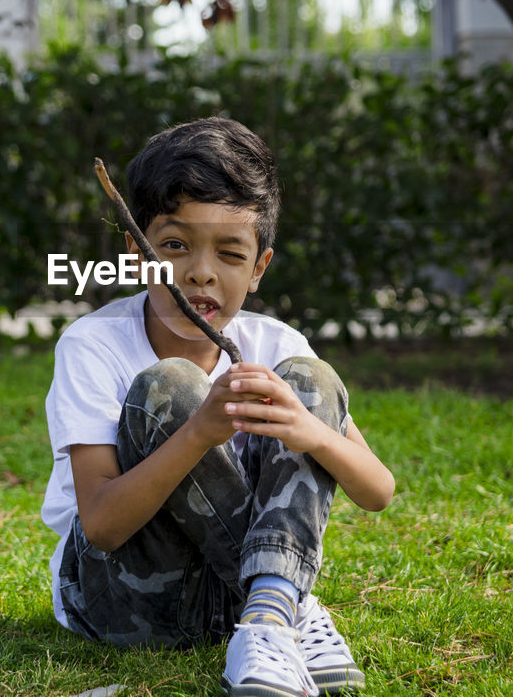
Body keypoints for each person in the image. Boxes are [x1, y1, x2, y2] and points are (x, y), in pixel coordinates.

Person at [41, 117, 395, 697]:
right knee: (171, 386)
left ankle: (270, 616)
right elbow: (101, 526)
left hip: (232, 604)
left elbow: (378, 490)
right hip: (124, 600)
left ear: (258, 268)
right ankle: (288, 604)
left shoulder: (278, 347)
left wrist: (314, 435)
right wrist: (198, 430)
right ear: (136, 254)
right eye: (175, 245)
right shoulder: (92, 345)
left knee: (309, 380)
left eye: (230, 253)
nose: (200, 271)